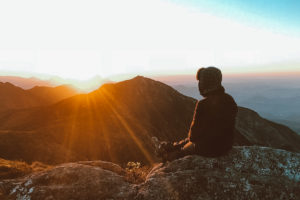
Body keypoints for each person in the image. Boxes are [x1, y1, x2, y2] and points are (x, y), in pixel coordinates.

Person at [153, 66, 238, 161]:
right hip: (225, 146)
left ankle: (167, 155)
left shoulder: (203, 104)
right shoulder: (229, 100)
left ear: (205, 84)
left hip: (207, 149)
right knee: (190, 143)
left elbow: (193, 137)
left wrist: (179, 147)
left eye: (200, 82)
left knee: (179, 153)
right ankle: (172, 146)